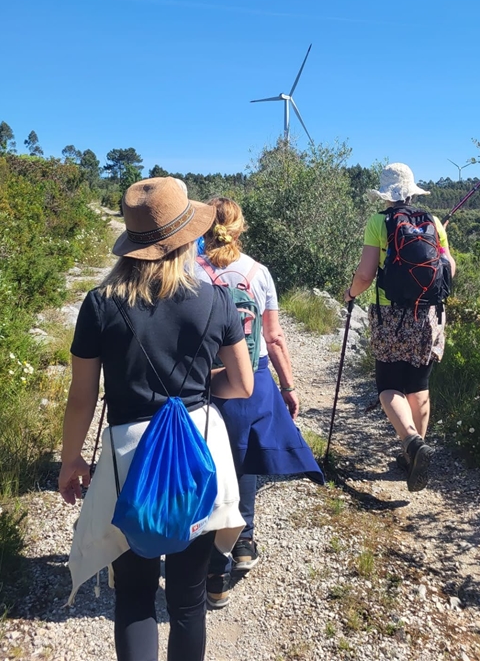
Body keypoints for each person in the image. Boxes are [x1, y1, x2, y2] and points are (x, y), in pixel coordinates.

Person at [58, 177, 254, 661]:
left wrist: (71, 460)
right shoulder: (216, 299)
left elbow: (82, 397)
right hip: (197, 451)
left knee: (134, 595)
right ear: (187, 236)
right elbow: (242, 384)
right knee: (187, 601)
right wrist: (198, 390)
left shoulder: (100, 304)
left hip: (129, 459)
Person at [194, 197, 325, 608]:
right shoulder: (258, 272)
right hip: (252, 379)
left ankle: (210, 565)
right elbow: (274, 337)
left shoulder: (189, 271)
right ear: (240, 229)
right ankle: (243, 543)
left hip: (201, 383)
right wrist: (288, 385)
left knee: (207, 465)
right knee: (245, 456)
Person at [343, 163, 456, 492]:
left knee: (389, 384)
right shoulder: (434, 222)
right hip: (429, 314)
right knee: (418, 384)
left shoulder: (379, 222)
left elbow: (366, 274)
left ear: (386, 194)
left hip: (391, 315)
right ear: (411, 192)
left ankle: (412, 442)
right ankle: (413, 457)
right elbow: (450, 267)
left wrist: (350, 293)